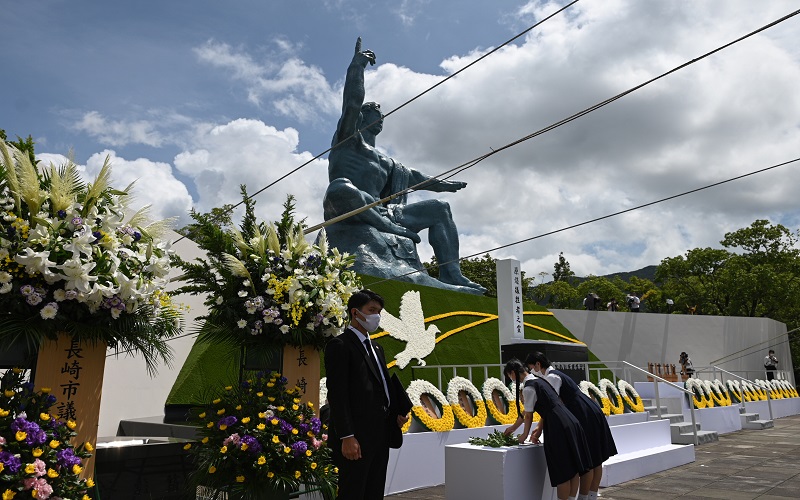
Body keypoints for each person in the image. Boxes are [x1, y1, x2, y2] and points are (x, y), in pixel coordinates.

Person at [323, 38, 484, 292]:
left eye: (382, 115)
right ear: (361, 117)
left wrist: (444, 185)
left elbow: (415, 177)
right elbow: (352, 103)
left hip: (384, 213)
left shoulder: (387, 162)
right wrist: (357, 67)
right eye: (374, 113)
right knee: (340, 187)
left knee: (440, 208)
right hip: (349, 208)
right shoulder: (348, 140)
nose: (380, 116)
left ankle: (451, 273)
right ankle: (386, 227)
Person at [324, 289, 409, 499]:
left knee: (374, 491)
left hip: (381, 433)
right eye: (371, 310)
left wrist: (395, 412)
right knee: (353, 491)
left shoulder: (377, 348)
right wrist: (347, 436)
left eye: (379, 311)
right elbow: (337, 395)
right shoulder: (340, 345)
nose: (376, 316)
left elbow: (380, 386)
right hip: (357, 438)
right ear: (355, 312)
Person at [525, 352, 617, 500]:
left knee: (590, 461)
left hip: (582, 412)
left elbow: (553, 404)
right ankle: (590, 496)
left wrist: (539, 427)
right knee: (595, 460)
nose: (532, 372)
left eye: (532, 368)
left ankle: (585, 497)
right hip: (587, 410)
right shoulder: (555, 374)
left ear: (538, 364)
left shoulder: (551, 378)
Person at [502, 359, 592, 500]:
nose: (511, 380)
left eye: (510, 376)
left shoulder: (528, 388)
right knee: (573, 468)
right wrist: (513, 428)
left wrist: (524, 435)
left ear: (513, 373)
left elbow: (529, 416)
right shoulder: (539, 380)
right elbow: (527, 411)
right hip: (570, 420)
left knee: (563, 472)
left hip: (557, 425)